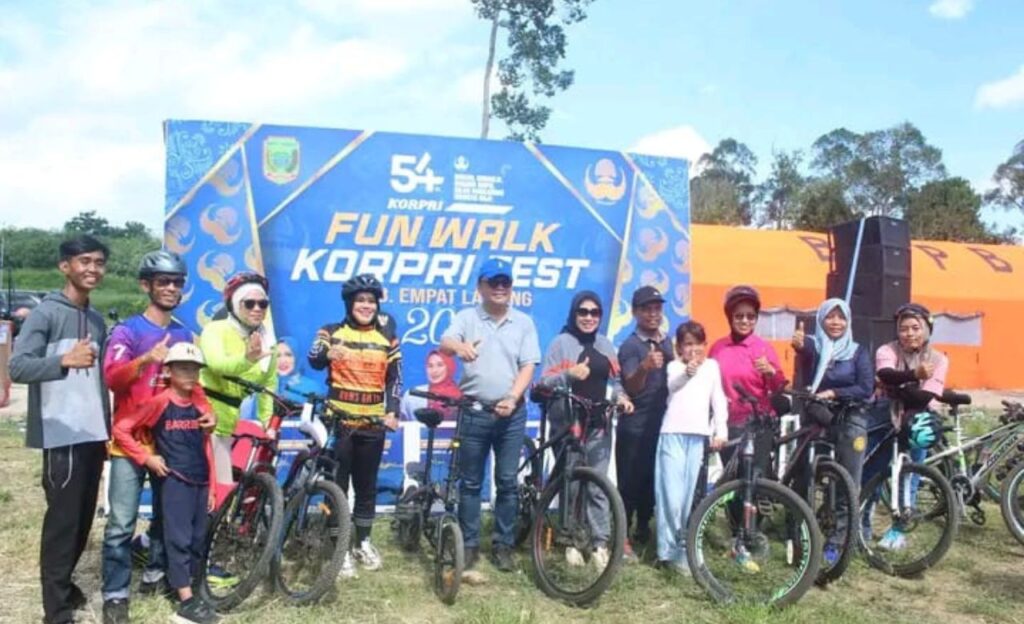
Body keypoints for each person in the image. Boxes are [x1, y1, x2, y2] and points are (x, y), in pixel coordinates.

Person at [100, 250, 212, 623]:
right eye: (163, 281)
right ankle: (116, 594)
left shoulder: (183, 333)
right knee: (122, 522)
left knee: (167, 519)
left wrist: (206, 411)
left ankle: (156, 576)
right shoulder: (128, 331)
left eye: (177, 282)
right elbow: (113, 379)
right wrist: (146, 359)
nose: (171, 288)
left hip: (171, 441)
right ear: (145, 285)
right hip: (131, 442)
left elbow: (192, 384)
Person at [10, 235, 111, 624]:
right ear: (65, 266)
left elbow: (99, 381)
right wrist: (63, 360)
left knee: (83, 520)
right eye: (84, 261)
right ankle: (55, 611)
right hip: (60, 434)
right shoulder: (45, 314)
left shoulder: (97, 320)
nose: (92, 268)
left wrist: (106, 427)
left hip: (92, 434)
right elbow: (18, 367)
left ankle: (65, 586)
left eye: (98, 262)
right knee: (62, 525)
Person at [440, 258, 540, 574]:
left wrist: (512, 397)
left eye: (504, 282)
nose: (499, 288)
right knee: (470, 482)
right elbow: (444, 343)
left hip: (512, 414)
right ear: (480, 287)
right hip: (474, 411)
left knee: (508, 482)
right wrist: (459, 347)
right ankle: (469, 545)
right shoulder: (466, 317)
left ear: (511, 287)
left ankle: (503, 545)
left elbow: (528, 366)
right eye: (492, 282)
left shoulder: (523, 322)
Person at [113, 342, 219, 624]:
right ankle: (185, 600)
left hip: (199, 480)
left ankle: (191, 589)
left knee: (198, 538)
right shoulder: (160, 402)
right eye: (183, 368)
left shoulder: (200, 403)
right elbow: (121, 429)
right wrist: (146, 458)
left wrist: (212, 486)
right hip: (175, 481)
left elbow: (206, 446)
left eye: (195, 369)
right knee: (179, 539)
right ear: (168, 371)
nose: (190, 374)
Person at [307, 274, 400, 578]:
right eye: (360, 300)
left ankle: (362, 542)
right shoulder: (331, 331)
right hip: (339, 422)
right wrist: (326, 353)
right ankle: (339, 549)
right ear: (349, 303)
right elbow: (313, 358)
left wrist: (393, 411)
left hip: (372, 424)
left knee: (366, 485)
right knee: (337, 486)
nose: (366, 306)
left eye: (371, 301)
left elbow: (395, 380)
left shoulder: (388, 337)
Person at [535, 291, 634, 570]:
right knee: (573, 485)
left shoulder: (605, 345)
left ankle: (599, 543)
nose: (589, 317)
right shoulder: (560, 343)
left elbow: (616, 383)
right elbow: (544, 384)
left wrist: (622, 398)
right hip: (569, 424)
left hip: (599, 423)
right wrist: (569, 375)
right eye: (583, 311)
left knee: (597, 485)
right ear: (574, 313)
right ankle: (570, 542)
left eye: (594, 312)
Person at [790, 298, 873, 563]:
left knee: (847, 480)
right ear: (821, 320)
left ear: (848, 321)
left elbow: (866, 387)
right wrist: (799, 346)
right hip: (816, 414)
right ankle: (799, 531)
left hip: (850, 416)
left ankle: (838, 540)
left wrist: (835, 392)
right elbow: (804, 352)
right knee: (804, 473)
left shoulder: (858, 352)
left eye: (841, 317)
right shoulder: (814, 346)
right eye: (830, 316)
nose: (836, 322)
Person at [867, 302, 949, 550]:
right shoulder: (886, 350)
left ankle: (898, 531)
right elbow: (886, 374)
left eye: (915, 328)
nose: (909, 333)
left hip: (918, 420)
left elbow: (924, 398)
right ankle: (862, 523)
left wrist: (895, 387)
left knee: (910, 476)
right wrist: (914, 376)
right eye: (903, 329)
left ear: (927, 330)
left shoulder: (938, 359)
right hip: (884, 417)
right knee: (873, 472)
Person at [655, 321, 728, 575]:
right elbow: (672, 385)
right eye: (688, 344)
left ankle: (681, 549)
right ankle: (666, 552)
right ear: (679, 347)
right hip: (672, 434)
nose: (694, 349)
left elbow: (718, 400)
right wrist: (688, 372)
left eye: (698, 344)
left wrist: (721, 430)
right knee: (671, 496)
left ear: (705, 345)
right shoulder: (674, 367)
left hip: (698, 437)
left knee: (687, 499)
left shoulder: (712, 367)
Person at [199, 271, 278, 506]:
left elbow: (268, 384)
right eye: (249, 303)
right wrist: (247, 359)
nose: (257, 309)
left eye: (263, 304)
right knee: (204, 488)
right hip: (202, 415)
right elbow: (217, 365)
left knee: (224, 492)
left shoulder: (267, 341)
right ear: (235, 304)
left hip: (228, 420)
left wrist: (267, 423)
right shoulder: (216, 330)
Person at [617, 285, 674, 559]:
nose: (653, 314)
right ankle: (622, 535)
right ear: (635, 312)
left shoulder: (668, 342)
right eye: (646, 309)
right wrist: (645, 367)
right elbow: (631, 386)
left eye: (657, 308)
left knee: (652, 481)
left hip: (661, 424)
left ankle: (643, 528)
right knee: (629, 482)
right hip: (634, 425)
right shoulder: (631, 345)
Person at [399, 350, 462, 422]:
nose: (434, 371)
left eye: (440, 365)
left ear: (450, 367)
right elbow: (402, 425)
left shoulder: (462, 397)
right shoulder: (413, 396)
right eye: (430, 366)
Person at [275, 336, 320, 404]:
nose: (282, 360)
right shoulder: (266, 386)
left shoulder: (312, 388)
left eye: (288, 355)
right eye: (277, 355)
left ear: (297, 358)